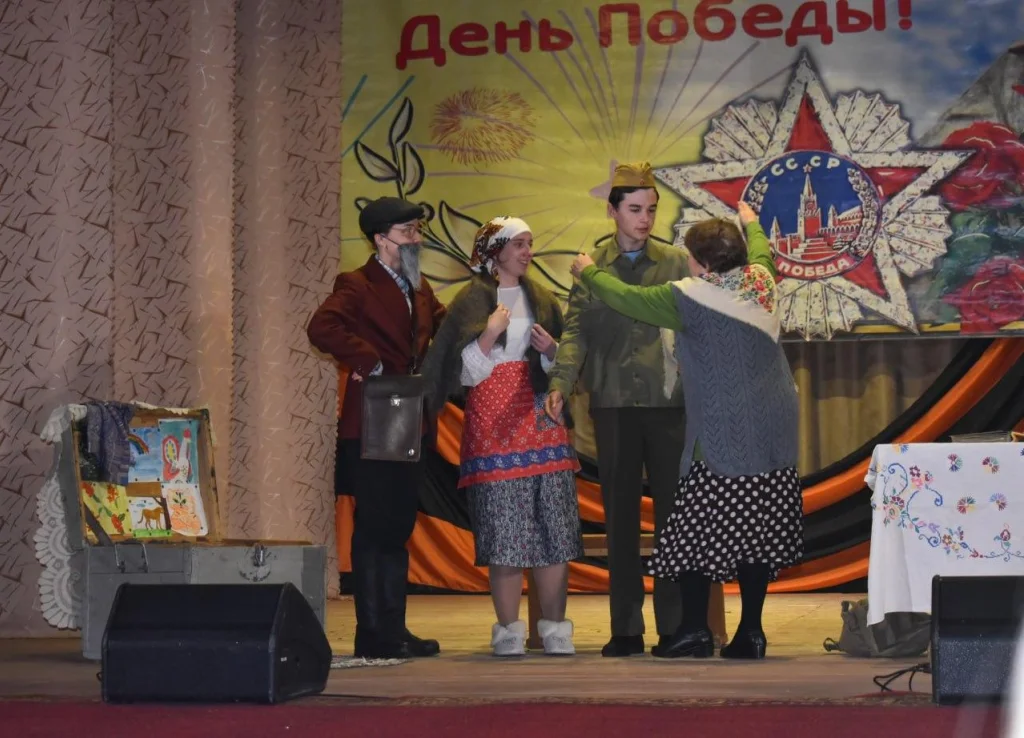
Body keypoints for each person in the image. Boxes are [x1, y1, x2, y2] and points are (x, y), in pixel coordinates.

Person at [568, 202, 802, 660]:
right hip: (774, 429)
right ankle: (751, 633)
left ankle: (694, 629)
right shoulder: (761, 280)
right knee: (757, 530)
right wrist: (752, 221)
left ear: (703, 263)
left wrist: (588, 273)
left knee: (690, 531)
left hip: (724, 430)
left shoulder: (692, 298)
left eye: (692, 256)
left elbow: (627, 299)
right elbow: (762, 251)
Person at [421, 216, 584, 657]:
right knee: (504, 527)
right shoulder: (471, 301)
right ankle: (509, 629)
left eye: (530, 244)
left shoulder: (542, 298)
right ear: (495, 251)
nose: (528, 252)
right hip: (493, 421)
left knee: (553, 525)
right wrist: (489, 333)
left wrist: (551, 352)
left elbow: (565, 363)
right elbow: (460, 375)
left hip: (541, 417)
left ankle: (555, 629)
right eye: (519, 245)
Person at [545, 162, 687, 657]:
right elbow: (576, 331)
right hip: (613, 404)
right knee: (620, 519)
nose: (645, 219)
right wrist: (561, 381)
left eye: (651, 210)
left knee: (674, 517)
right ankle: (625, 627)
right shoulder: (590, 266)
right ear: (612, 211)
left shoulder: (676, 262)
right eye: (635, 209)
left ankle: (676, 625)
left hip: (669, 404)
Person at [307, 196, 447, 660]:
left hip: (410, 412)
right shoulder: (358, 283)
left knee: (398, 524)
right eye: (408, 233)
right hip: (376, 414)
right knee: (376, 526)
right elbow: (322, 327)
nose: (416, 240)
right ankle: (372, 632)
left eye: (417, 231)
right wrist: (370, 360)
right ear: (381, 239)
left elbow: (445, 328)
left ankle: (394, 627)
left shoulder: (419, 287)